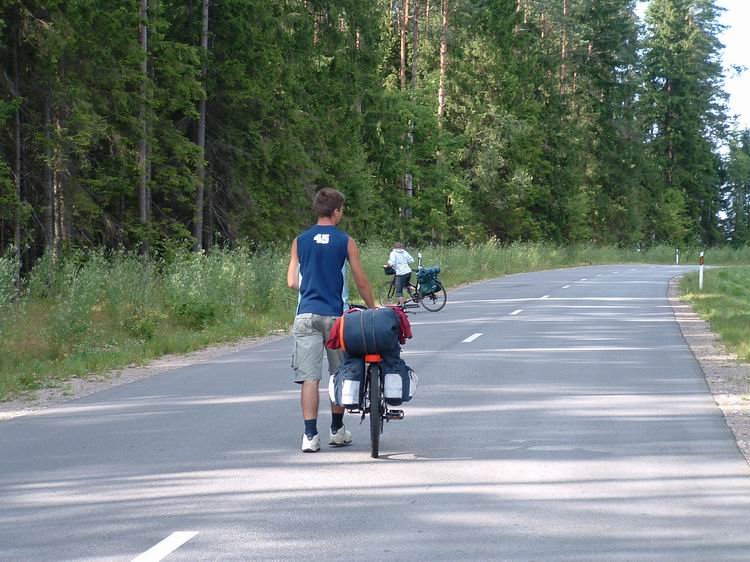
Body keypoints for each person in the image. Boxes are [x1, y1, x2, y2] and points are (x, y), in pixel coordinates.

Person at [287, 188, 376, 453]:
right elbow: (360, 281)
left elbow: (292, 281)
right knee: (339, 374)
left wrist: (311, 287)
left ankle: (310, 436)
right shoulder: (345, 241)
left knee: (309, 378)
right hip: (336, 318)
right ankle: (337, 430)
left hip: (306, 315)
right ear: (336, 211)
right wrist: (372, 308)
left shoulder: (299, 241)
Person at [384, 242, 415, 307]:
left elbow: (392, 262)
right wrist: (405, 263)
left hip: (401, 273)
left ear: (394, 247)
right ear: (401, 247)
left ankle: (402, 306)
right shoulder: (404, 252)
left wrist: (387, 265)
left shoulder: (393, 253)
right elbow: (411, 260)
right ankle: (415, 291)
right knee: (406, 285)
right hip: (408, 272)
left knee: (399, 291)